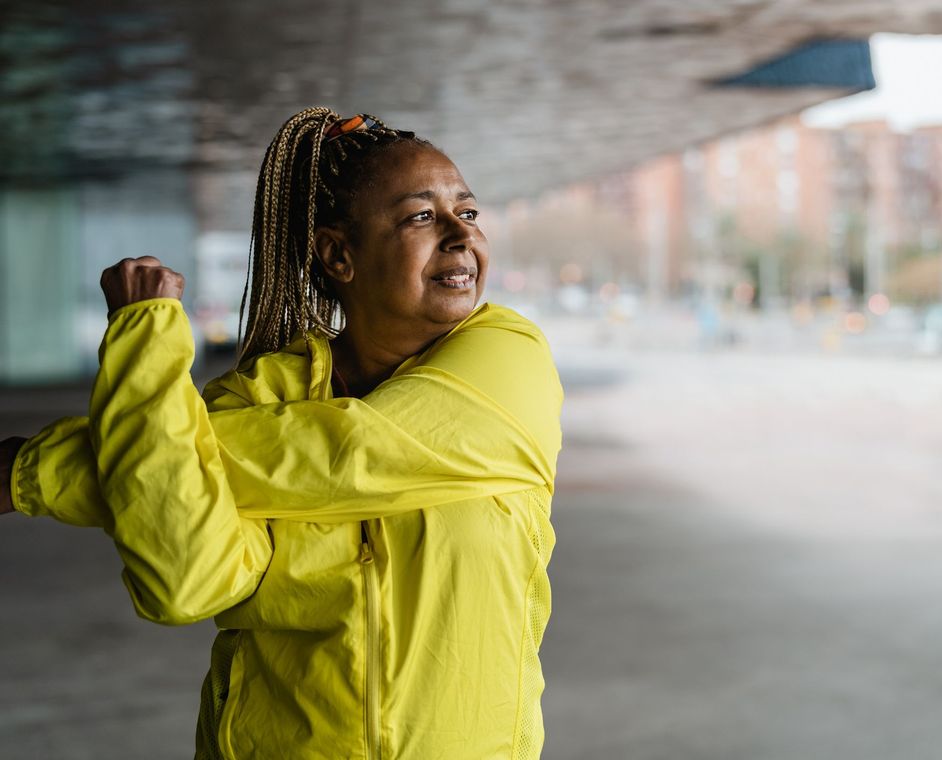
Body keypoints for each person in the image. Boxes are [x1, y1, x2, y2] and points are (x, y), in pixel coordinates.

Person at [0, 107, 563, 760]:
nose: (461, 237)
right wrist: (146, 345)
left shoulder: (508, 361)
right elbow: (187, 581)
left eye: (467, 213)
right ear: (338, 254)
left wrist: (43, 468)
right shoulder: (257, 397)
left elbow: (346, 456)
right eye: (420, 216)